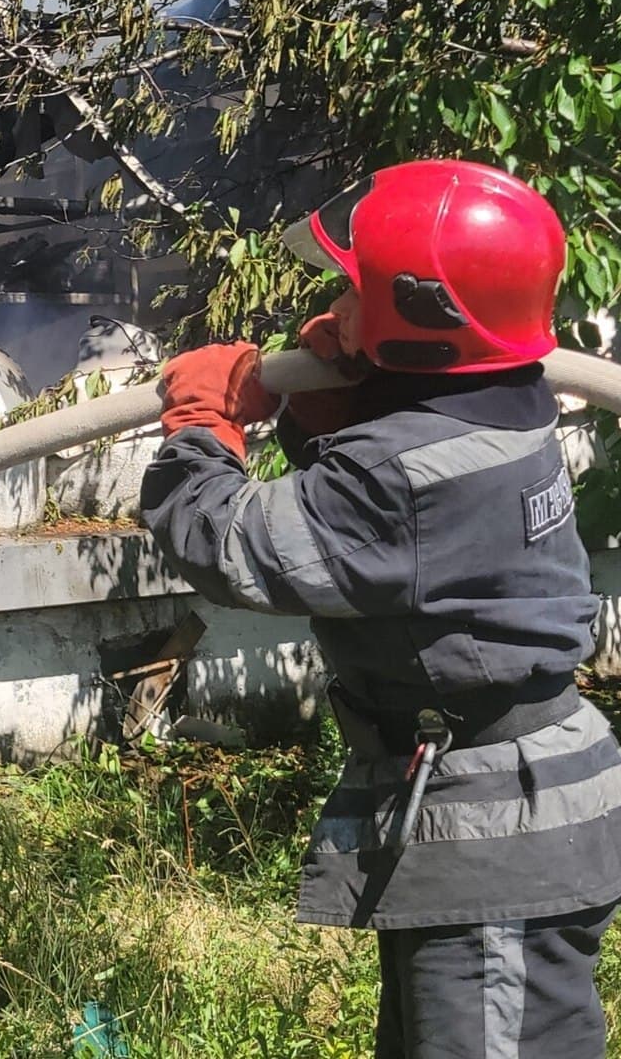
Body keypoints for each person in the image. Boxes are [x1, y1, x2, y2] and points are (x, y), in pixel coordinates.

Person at [138, 159, 621, 1057]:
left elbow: (228, 543)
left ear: (421, 322)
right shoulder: (508, 393)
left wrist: (202, 423)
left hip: (497, 834)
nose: (335, 304)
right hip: (491, 809)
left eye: (353, 290)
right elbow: (388, 487)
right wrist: (336, 401)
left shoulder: (403, 479)